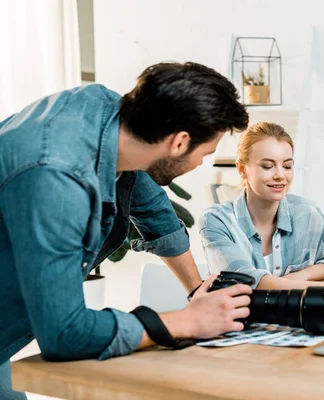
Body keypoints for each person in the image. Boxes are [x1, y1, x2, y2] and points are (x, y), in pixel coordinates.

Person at [0, 62, 252, 399]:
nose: (201, 163)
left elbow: (154, 211)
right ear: (179, 143)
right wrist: (186, 322)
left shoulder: (113, 117)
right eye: (205, 153)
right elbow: (64, 333)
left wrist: (197, 292)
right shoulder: (56, 179)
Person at [199, 122, 324, 306]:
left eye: (287, 166)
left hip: (297, 321)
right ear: (242, 169)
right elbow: (248, 282)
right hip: (236, 325)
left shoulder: (306, 212)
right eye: (268, 166)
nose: (280, 175)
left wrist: (299, 276)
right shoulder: (217, 220)